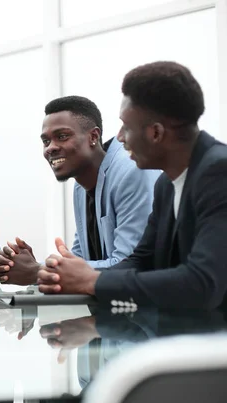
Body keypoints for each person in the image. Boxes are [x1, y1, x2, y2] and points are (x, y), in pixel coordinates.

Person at [38, 61, 227, 311]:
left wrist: (94, 281)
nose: (119, 137)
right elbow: (141, 260)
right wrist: (76, 275)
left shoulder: (219, 173)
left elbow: (201, 283)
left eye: (126, 126)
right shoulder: (166, 185)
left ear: (156, 133)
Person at [0, 96, 158, 285]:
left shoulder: (131, 171)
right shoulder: (81, 185)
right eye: (46, 141)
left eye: (62, 136)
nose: (51, 148)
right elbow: (78, 262)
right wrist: (29, 267)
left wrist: (37, 271)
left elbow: (129, 265)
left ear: (93, 137)